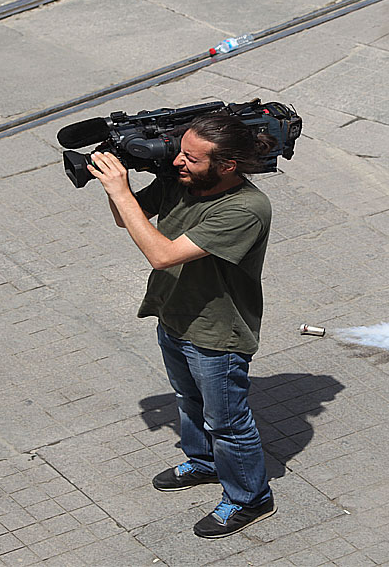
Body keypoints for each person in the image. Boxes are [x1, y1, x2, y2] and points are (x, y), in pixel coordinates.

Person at [86, 113, 276, 539]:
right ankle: (205, 463)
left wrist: (120, 189)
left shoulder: (245, 208)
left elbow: (162, 254)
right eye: (180, 152)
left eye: (190, 157)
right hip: (174, 313)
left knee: (227, 421)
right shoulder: (185, 179)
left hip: (217, 331)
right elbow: (127, 218)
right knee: (187, 399)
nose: (177, 163)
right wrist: (115, 185)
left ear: (226, 165)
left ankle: (250, 498)